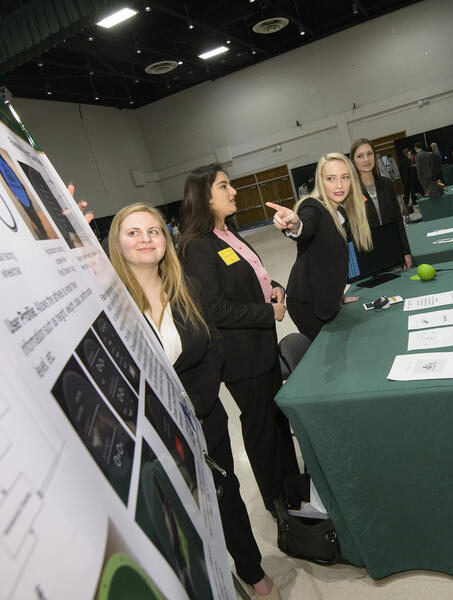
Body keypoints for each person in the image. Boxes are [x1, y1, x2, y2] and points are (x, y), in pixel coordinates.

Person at [108, 203, 280, 599]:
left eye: (153, 231)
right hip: (148, 429)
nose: (146, 239)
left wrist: (196, 406)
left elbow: (213, 346)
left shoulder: (186, 287)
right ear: (116, 242)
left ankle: (251, 569)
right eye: (133, 232)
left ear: (165, 240)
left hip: (204, 417)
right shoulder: (109, 302)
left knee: (226, 497)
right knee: (176, 515)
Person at [177, 165, 300, 515]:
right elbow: (214, 309)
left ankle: (295, 488)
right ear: (204, 197)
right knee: (261, 427)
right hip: (241, 356)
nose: (233, 192)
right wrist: (267, 312)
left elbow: (250, 278)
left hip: (262, 345)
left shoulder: (228, 233)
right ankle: (279, 504)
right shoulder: (196, 247)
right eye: (224, 186)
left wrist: (274, 286)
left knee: (277, 420)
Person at [265, 152, 372, 340]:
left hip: (324, 297)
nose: (339, 185)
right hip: (308, 304)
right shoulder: (313, 206)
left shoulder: (339, 211)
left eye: (345, 177)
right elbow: (304, 227)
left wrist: (336, 295)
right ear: (321, 181)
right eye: (331, 178)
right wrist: (295, 225)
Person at [350, 137, 412, 268]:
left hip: (393, 249)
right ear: (353, 161)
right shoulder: (350, 191)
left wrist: (406, 251)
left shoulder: (386, 183)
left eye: (369, 154)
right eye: (360, 156)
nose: (366, 159)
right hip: (368, 255)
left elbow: (398, 220)